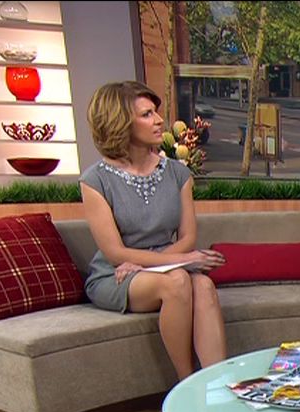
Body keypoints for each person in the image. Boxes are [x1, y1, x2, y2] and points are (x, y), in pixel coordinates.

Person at [81, 81, 227, 381]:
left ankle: (217, 383)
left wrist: (152, 263)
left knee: (203, 286)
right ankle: (186, 385)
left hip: (164, 265)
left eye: (156, 112)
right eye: (147, 114)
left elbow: (187, 238)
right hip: (116, 275)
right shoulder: (95, 181)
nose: (160, 120)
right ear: (120, 122)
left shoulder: (178, 173)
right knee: (177, 282)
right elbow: (115, 254)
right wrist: (183, 261)